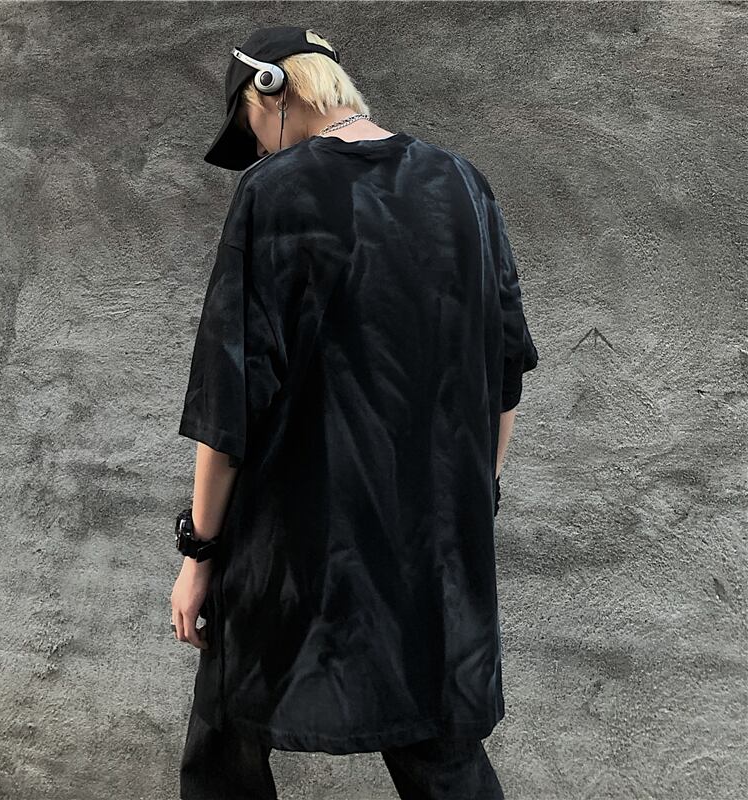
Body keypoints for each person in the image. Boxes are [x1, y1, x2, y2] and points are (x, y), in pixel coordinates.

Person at [171, 25, 538, 800]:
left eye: (249, 127)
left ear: (272, 88)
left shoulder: (273, 193)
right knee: (439, 745)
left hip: (289, 549)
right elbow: (504, 373)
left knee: (225, 735)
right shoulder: (463, 184)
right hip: (432, 548)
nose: (257, 149)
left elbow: (229, 399)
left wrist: (198, 552)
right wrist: (473, 498)